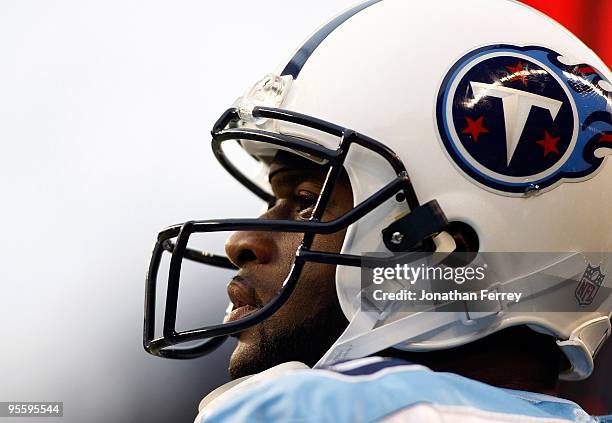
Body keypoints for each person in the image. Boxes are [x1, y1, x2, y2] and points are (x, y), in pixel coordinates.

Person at [143, 0, 612, 421]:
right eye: (274, 199)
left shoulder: (312, 411)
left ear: (455, 253)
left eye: (305, 202)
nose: (241, 243)